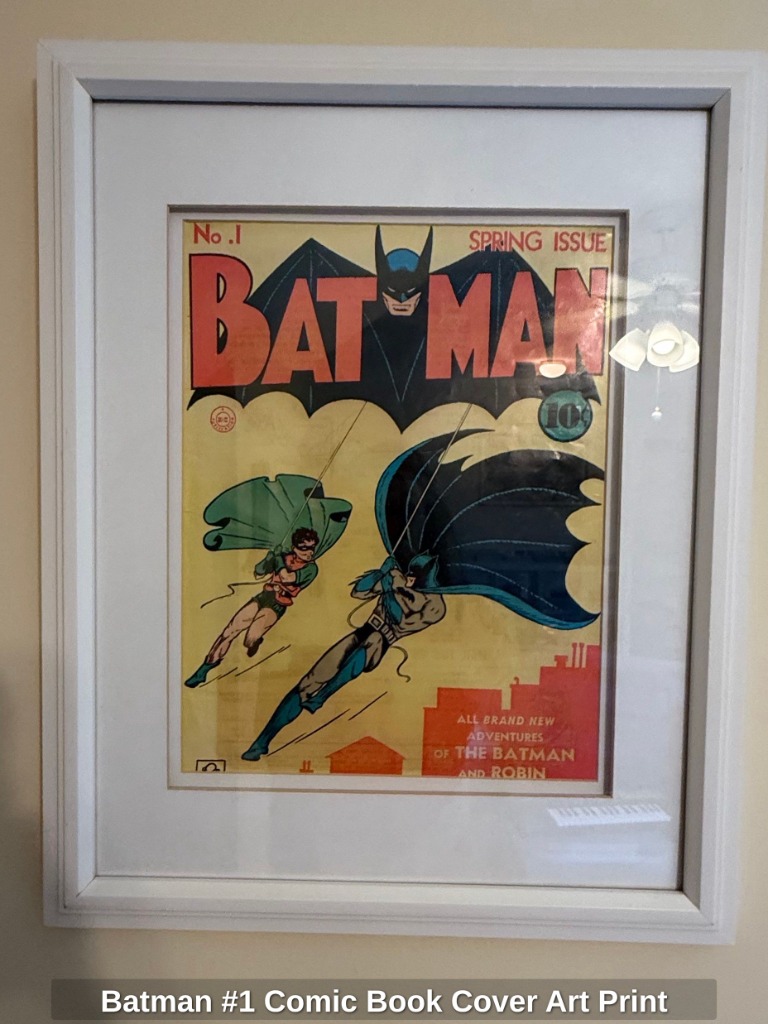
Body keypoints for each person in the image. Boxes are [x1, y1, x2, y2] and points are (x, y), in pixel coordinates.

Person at [240, 553, 445, 760]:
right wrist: (380, 574)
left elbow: (400, 619)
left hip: (381, 641)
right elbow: (359, 592)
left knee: (370, 644)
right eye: (409, 574)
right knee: (310, 680)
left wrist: (391, 587)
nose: (409, 578)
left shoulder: (435, 606)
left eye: (414, 576)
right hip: (363, 631)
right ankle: (262, 742)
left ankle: (322, 696)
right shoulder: (397, 578)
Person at [184, 527, 320, 688]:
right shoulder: (284, 556)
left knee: (249, 640)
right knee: (229, 631)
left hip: (277, 604)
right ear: (294, 547)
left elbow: (287, 577)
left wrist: (277, 560)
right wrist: (269, 558)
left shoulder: (311, 568)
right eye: (304, 548)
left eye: (312, 548)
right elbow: (259, 571)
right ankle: (203, 670)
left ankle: (255, 641)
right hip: (263, 597)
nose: (309, 552)